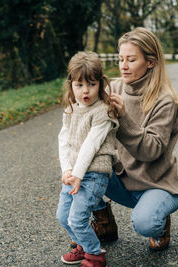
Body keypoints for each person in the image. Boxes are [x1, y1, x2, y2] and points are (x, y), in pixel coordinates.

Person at [91, 27, 178, 252]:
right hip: (120, 179)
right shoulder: (113, 87)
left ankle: (159, 222)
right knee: (79, 168)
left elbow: (151, 150)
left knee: (145, 223)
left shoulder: (165, 100)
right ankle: (104, 223)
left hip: (154, 183)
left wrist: (124, 118)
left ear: (150, 62)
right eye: (121, 59)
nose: (123, 65)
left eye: (131, 60)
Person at [56, 51, 119, 267]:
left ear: (100, 84)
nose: (85, 90)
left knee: (77, 218)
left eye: (91, 84)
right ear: (71, 85)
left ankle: (94, 255)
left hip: (93, 175)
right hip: (74, 174)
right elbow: (63, 141)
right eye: (79, 85)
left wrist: (77, 174)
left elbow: (90, 145)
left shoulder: (103, 111)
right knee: (63, 216)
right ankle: (83, 244)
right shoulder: (71, 109)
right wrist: (67, 171)